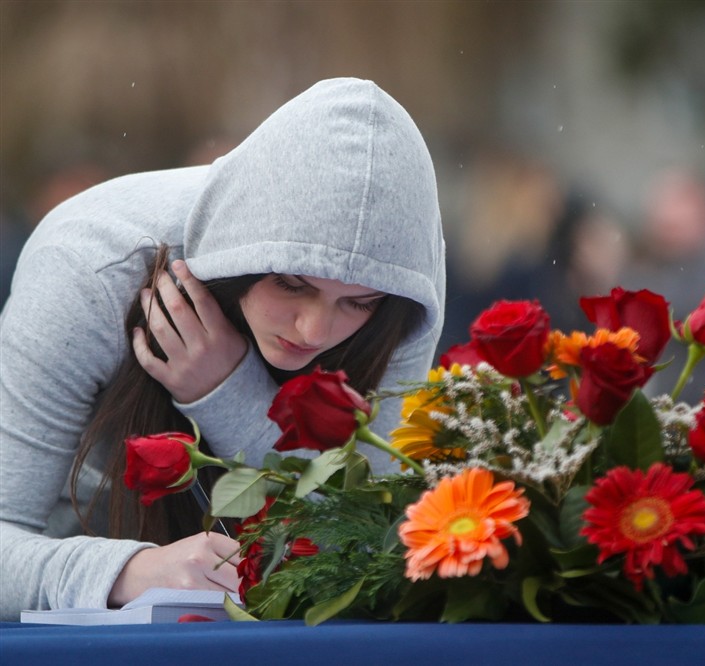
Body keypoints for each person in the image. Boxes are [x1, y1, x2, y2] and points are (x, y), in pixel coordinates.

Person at [0, 78, 446, 619]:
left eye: (358, 303)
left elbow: (366, 544)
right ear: (241, 257)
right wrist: (129, 572)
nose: (314, 330)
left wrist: (227, 393)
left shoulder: (400, 282)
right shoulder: (85, 267)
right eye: (291, 284)